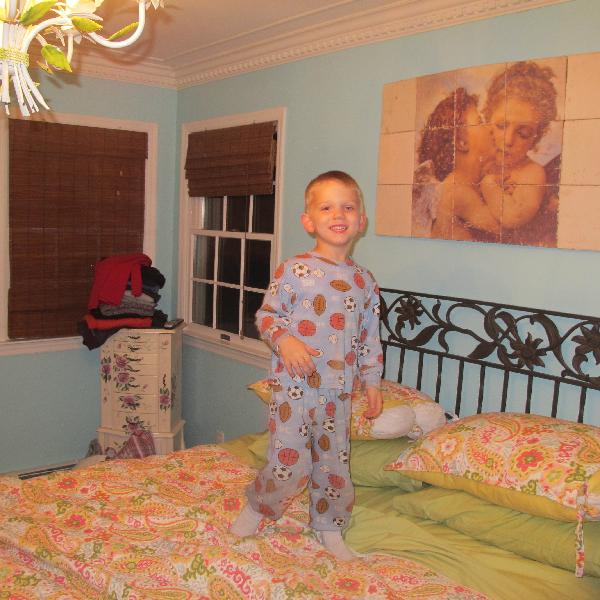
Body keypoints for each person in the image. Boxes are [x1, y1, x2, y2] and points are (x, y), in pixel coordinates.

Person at [230, 170, 383, 561]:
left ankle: (330, 527)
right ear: (308, 221)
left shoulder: (365, 281)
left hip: (339, 393)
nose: (339, 214)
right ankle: (258, 507)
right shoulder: (295, 269)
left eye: (348, 207)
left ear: (361, 220)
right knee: (289, 464)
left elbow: (369, 337)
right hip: (294, 389)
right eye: (327, 207)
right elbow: (267, 316)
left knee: (334, 466)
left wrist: (372, 382)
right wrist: (286, 340)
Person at [477, 61, 559, 246]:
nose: (508, 140)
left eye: (523, 133)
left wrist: (488, 186)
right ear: (487, 120)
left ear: (535, 139)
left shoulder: (532, 173)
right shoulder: (482, 162)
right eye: (501, 126)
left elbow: (513, 218)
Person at [415, 87, 498, 240]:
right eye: (480, 122)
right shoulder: (458, 193)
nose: (491, 128)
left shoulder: (459, 186)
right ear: (462, 142)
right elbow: (501, 229)